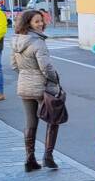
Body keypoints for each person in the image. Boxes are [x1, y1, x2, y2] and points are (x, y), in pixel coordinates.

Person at [12, 10, 61, 172]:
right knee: (53, 120)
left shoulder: (17, 40)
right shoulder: (38, 42)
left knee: (31, 123)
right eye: (36, 21)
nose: (40, 24)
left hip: (24, 85)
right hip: (41, 87)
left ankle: (29, 158)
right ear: (28, 24)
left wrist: (26, 75)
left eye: (41, 21)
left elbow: (14, 65)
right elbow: (46, 67)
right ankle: (48, 156)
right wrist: (55, 80)